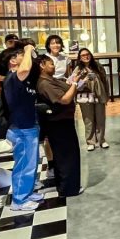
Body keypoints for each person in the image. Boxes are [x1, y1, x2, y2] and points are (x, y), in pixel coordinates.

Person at [3, 42, 45, 212]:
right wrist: (28, 49)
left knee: (31, 164)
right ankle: (19, 201)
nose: (26, 58)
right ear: (13, 61)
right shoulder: (13, 78)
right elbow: (24, 69)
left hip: (29, 126)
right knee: (24, 165)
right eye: (20, 55)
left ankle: (26, 192)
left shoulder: (23, 81)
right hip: (22, 128)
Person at [36, 55, 83, 197]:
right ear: (42, 65)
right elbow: (65, 99)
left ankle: (69, 185)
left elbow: (67, 89)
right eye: (51, 64)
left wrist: (74, 82)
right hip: (58, 123)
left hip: (64, 121)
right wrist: (74, 84)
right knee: (66, 156)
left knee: (69, 154)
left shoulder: (51, 79)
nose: (54, 66)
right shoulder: (44, 83)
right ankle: (67, 189)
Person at [69, 48, 109, 150]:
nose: (86, 56)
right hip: (85, 97)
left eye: (87, 54)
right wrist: (84, 80)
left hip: (99, 96)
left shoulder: (98, 66)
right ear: (80, 58)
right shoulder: (77, 69)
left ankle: (101, 140)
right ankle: (90, 141)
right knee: (88, 119)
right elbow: (74, 85)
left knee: (100, 119)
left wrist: (106, 95)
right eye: (83, 55)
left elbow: (105, 80)